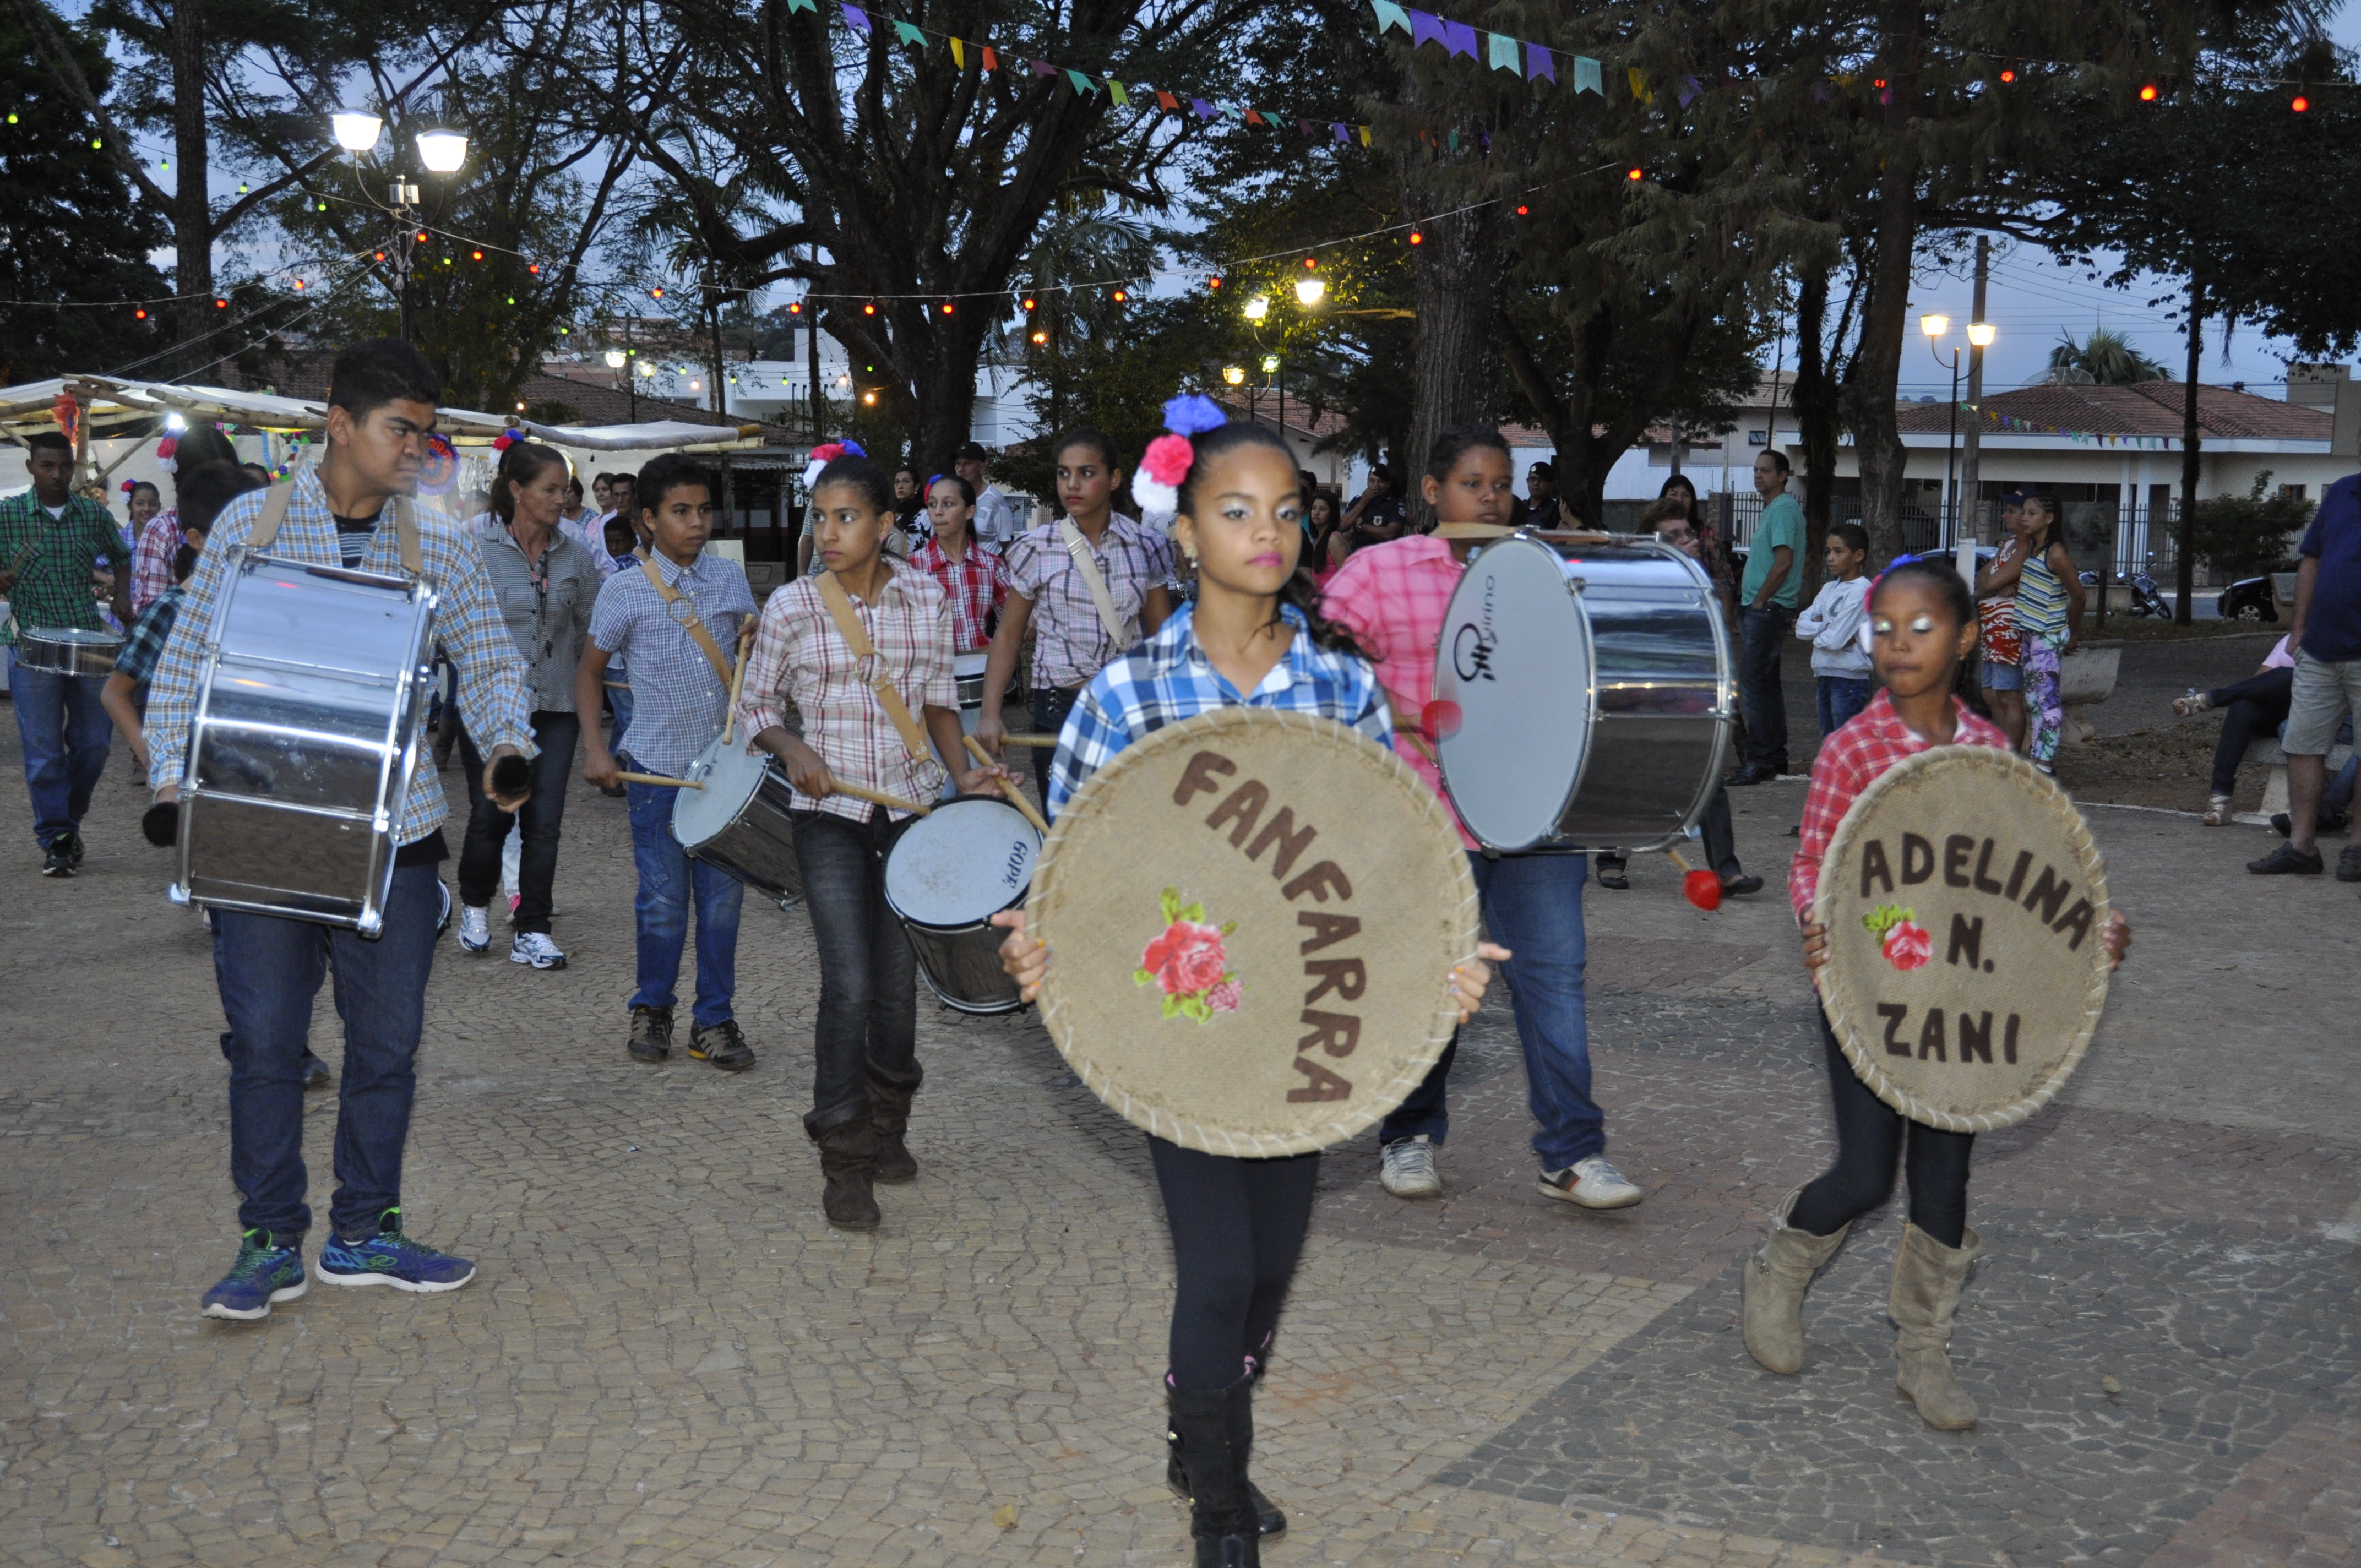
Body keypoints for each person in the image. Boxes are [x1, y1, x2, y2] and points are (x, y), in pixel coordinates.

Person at [991, 405, 1504, 1568]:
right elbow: (1069, 878)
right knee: (1217, 1265)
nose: (1264, 531)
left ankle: (1197, 1420)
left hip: (1302, 1028)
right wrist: (1033, 945)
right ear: (1182, 532)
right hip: (1169, 1031)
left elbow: (1386, 861)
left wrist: (1442, 964)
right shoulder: (1123, 696)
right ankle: (1218, 1503)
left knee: (1269, 1270)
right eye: (1234, 510)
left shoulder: (1339, 689)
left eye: (1284, 511)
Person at [145, 338, 535, 1320]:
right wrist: (167, 779)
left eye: (425, 431)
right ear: (339, 424)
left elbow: (487, 664)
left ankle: (364, 1231)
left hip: (395, 835)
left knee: (388, 1045)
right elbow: (186, 666)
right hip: (262, 831)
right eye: (400, 427)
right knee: (269, 1043)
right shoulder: (252, 523)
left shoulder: (436, 543)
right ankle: (270, 1238)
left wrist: (505, 744)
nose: (417, 448)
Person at [1746, 556, 2130, 1429]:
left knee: (1946, 1179)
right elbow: (1814, 863)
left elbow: (2029, 877)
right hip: (1867, 992)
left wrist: (2090, 938)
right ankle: (1780, 1269)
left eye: (1919, 628)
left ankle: (1923, 1349)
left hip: (1963, 1000)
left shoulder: (1991, 754)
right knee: (1867, 1174)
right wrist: (1818, 916)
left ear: (1963, 641)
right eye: (1883, 627)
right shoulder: (1851, 750)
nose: (1896, 644)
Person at [1323, 423, 1641, 1211]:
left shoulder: (1542, 572)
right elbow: (1313, 668)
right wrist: (1393, 710)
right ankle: (1408, 1135)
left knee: (1553, 981)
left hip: (1534, 817)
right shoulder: (1376, 570)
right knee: (1433, 986)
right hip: (1424, 817)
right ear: (1432, 493)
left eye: (1501, 483)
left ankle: (1572, 1153)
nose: (1491, 497)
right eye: (1473, 483)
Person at [738, 453, 999, 1229]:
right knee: (848, 983)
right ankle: (845, 1159)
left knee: (895, 988)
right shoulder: (791, 607)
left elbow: (938, 704)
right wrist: (795, 751)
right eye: (820, 518)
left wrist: (965, 780)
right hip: (829, 821)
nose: (828, 532)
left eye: (845, 517)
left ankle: (891, 1128)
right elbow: (758, 709)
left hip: (910, 813)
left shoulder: (926, 595)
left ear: (887, 525)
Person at [576, 454, 760, 1070]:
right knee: (660, 900)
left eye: (705, 510)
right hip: (655, 774)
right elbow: (589, 674)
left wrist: (755, 654)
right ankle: (652, 1006)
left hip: (725, 776)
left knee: (722, 902)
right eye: (681, 511)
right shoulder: (623, 590)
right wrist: (597, 749)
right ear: (649, 519)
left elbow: (748, 663)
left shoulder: (730, 582)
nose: (698, 523)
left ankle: (714, 1019)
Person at [451, 442, 597, 970]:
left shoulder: (577, 555)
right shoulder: (474, 550)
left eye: (565, 490)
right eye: (550, 489)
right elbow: (455, 632)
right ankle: (474, 905)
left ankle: (532, 927)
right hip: (490, 707)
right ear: (517, 490)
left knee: (545, 820)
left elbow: (589, 635)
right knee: (492, 813)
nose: (562, 499)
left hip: (556, 706)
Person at [976, 428, 1178, 794]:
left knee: (1125, 829)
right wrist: (991, 714)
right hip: (1059, 705)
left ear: (1114, 479)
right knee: (1068, 833)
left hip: (1128, 706)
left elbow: (1162, 638)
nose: (1073, 484)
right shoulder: (1036, 547)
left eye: (1087, 473)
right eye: (1063, 473)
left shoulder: (1147, 546)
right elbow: (1008, 634)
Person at [1597, 498, 1762, 897]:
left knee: (1708, 780)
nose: (1688, 540)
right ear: (1655, 544)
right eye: (1675, 536)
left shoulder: (1698, 581)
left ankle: (1727, 871)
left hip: (1687, 693)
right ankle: (1611, 857)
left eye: (1688, 532)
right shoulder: (1637, 580)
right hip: (1640, 692)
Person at [2, 429, 135, 877]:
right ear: (31, 468)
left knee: (95, 744)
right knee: (42, 752)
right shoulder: (7, 516)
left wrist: (122, 595)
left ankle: (68, 823)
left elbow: (121, 554)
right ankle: (57, 836)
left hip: (87, 642)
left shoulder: (93, 516)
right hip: (30, 644)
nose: (57, 475)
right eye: (47, 466)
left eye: (64, 467)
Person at [102, 461, 260, 771]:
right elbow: (114, 693)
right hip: (192, 775)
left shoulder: (260, 603)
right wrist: (154, 759)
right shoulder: (170, 610)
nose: (249, 544)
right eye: (234, 533)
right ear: (196, 539)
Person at [2248, 455, 2361, 881]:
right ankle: (2301, 846)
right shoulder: (2342, 493)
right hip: (2320, 648)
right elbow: (2311, 558)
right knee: (2302, 744)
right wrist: (2298, 628)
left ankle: (2357, 849)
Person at [1732, 449, 1804, 785]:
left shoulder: (1784, 510)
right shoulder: (1773, 510)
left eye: (1766, 471)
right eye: (1756, 470)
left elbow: (1784, 561)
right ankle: (1774, 758)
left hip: (1768, 608)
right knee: (1766, 685)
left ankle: (1760, 759)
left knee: (1754, 685)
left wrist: (1760, 600)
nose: (1759, 475)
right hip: (1761, 608)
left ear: (1783, 475)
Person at [2174, 635, 2299, 826]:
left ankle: (2209, 700)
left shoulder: (2342, 640)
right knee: (2243, 705)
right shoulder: (2294, 639)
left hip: (2313, 718)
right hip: (2279, 715)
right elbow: (2259, 681)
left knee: (2294, 676)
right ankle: (2221, 796)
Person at [2013, 493, 2083, 773]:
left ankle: (2045, 762)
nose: (2024, 518)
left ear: (2049, 519)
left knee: (2047, 699)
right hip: (2030, 633)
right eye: (2024, 513)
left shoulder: (2055, 553)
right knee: (2033, 700)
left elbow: (2079, 596)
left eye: (2032, 513)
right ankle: (2039, 755)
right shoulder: (2031, 548)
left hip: (2048, 634)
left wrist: (2072, 633)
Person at [133, 431, 241, 612]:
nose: (220, 487)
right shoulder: (163, 530)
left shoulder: (244, 522)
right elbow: (154, 612)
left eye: (227, 475)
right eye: (209, 478)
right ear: (184, 477)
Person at [910, 473, 1011, 656]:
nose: (938, 512)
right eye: (932, 504)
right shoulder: (913, 568)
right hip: (932, 676)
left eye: (948, 504)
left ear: (969, 512)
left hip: (981, 673)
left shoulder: (991, 566)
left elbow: (1016, 622)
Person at [1796, 521, 1874, 738]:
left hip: (1849, 680)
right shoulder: (1829, 588)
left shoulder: (1861, 591)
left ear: (1858, 556)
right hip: (1825, 673)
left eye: (1838, 551)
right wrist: (1826, 628)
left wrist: (1821, 634)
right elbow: (1800, 627)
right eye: (1828, 551)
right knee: (1829, 744)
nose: (1830, 558)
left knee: (1845, 746)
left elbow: (1835, 641)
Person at [1972, 492, 2031, 749]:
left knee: (2009, 696)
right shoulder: (2009, 545)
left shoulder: (2026, 547)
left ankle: (2012, 758)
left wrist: (1992, 586)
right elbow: (1982, 578)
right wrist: (1994, 588)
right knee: (1991, 695)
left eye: (2011, 511)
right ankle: (2001, 751)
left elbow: (1990, 581)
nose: (2005, 516)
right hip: (1992, 630)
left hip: (2009, 632)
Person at [1329, 463, 1406, 567]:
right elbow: (1341, 526)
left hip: (1384, 562)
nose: (1375, 485)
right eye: (1372, 481)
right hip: (1358, 559)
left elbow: (1389, 534)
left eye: (1381, 482)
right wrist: (1363, 502)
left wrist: (1361, 526)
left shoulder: (1395, 504)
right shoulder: (1358, 502)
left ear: (1388, 484)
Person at [955, 440, 1019, 546]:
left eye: (968, 464)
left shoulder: (995, 500)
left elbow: (1008, 546)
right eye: (958, 464)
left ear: (982, 468)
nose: (961, 469)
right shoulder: (952, 499)